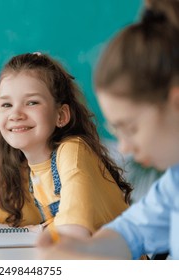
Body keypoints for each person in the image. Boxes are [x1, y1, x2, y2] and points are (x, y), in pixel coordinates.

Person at [37, 0, 179, 260]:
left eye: (131, 127)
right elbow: (131, 232)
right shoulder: (175, 182)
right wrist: (83, 250)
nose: (123, 146)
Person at [0, 52, 131, 239]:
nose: (16, 114)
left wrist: (42, 229)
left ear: (61, 115)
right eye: (6, 105)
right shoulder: (24, 173)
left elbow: (73, 230)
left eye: (31, 102)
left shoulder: (73, 151)